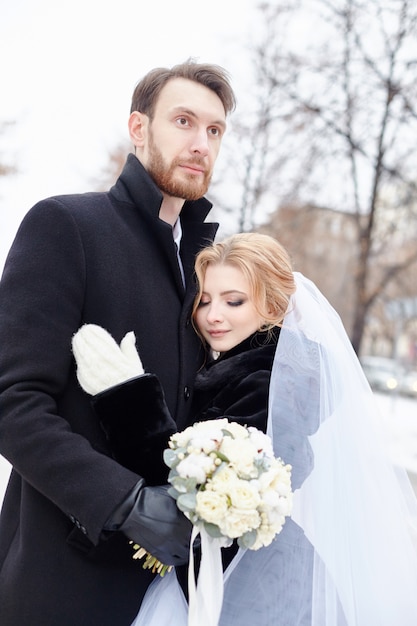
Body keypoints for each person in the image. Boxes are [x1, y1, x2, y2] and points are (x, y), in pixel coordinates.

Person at [73, 232, 417, 626]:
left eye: (233, 301)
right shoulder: (234, 368)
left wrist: (126, 398)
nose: (213, 314)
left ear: (271, 306)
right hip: (237, 574)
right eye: (204, 301)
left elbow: (194, 484)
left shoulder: (270, 381)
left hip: (258, 590)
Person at [0, 60, 236, 626]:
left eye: (214, 130)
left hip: (173, 595)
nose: (200, 142)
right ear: (138, 129)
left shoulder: (205, 268)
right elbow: (12, 399)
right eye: (183, 120)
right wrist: (124, 502)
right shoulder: (67, 225)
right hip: (62, 588)